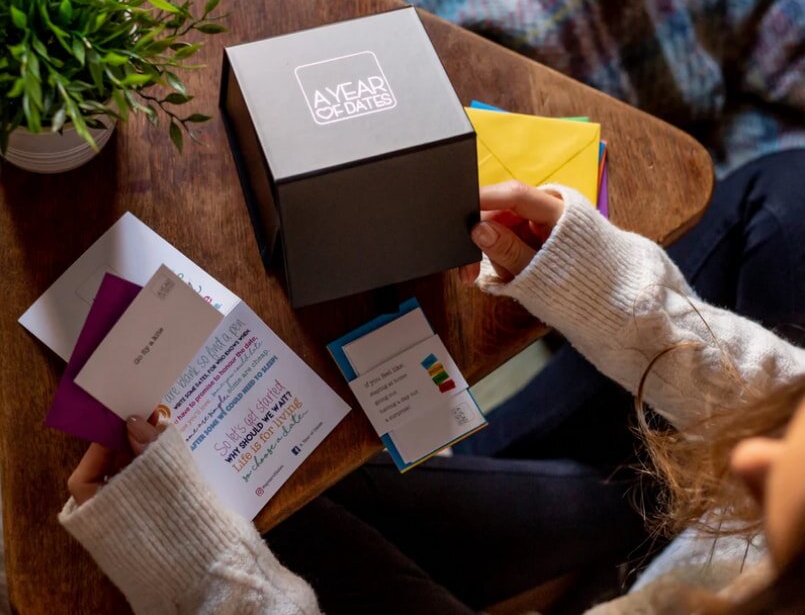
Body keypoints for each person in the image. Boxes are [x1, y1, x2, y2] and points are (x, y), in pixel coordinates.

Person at [60, 151, 805, 614]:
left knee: (272, 495)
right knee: (785, 191)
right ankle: (588, 501)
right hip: (679, 553)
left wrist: (205, 573)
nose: (745, 457)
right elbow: (783, 391)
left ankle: (580, 505)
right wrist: (611, 293)